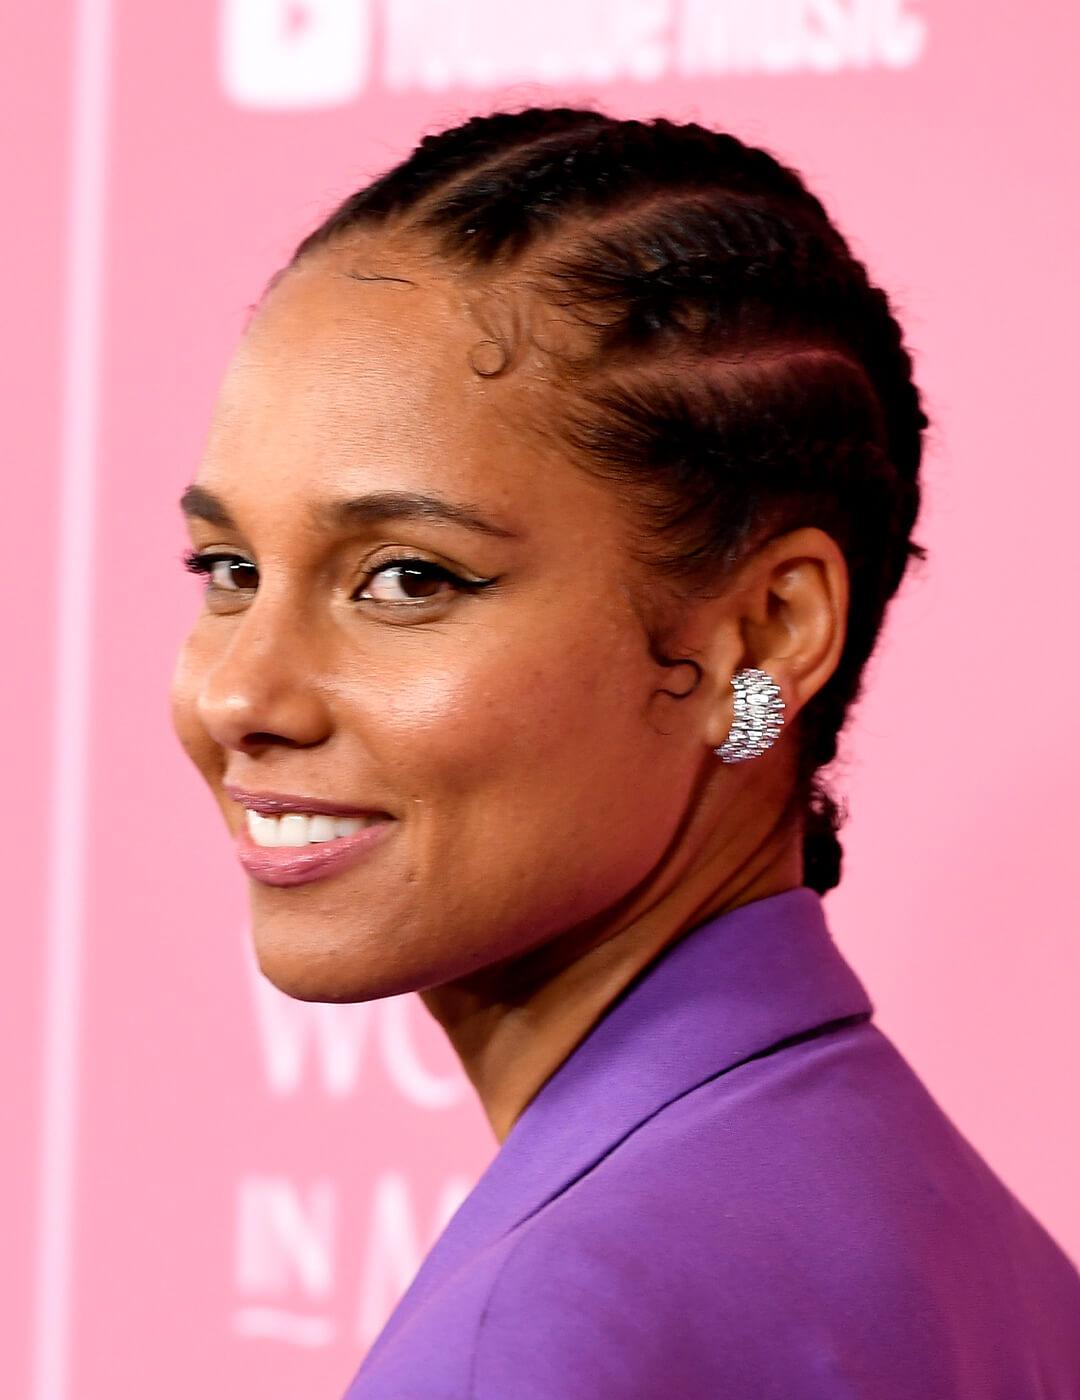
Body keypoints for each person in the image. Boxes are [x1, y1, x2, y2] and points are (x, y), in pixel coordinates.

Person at [171, 107, 1080, 1398]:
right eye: (229, 569)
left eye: (408, 579)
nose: (239, 692)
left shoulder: (539, 1334)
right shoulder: (973, 1254)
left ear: (760, 634)